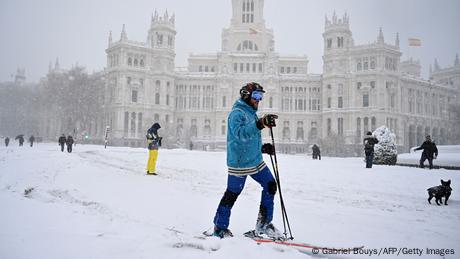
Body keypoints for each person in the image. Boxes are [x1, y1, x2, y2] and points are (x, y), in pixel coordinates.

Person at [211, 82, 282, 239]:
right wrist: (260, 123)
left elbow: (250, 137)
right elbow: (240, 135)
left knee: (271, 185)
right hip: (240, 162)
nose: (259, 100)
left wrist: (262, 148)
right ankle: (219, 228)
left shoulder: (250, 112)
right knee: (232, 193)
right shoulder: (236, 113)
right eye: (256, 96)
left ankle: (264, 224)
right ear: (246, 95)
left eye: (261, 96)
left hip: (254, 160)